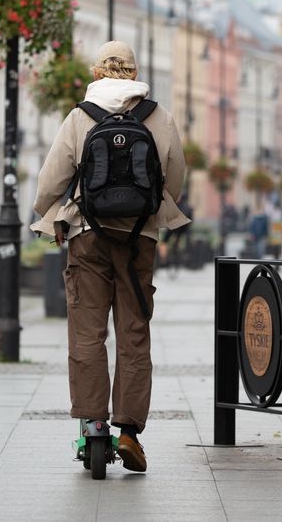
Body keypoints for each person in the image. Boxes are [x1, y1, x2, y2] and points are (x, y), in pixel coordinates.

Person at [31, 41, 187, 473]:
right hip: (139, 239)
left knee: (87, 332)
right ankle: (129, 431)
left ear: (98, 73)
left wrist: (47, 214)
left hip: (88, 236)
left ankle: (94, 422)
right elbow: (175, 178)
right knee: (134, 332)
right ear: (135, 73)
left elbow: (50, 181)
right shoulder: (160, 117)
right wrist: (149, 212)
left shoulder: (80, 117)